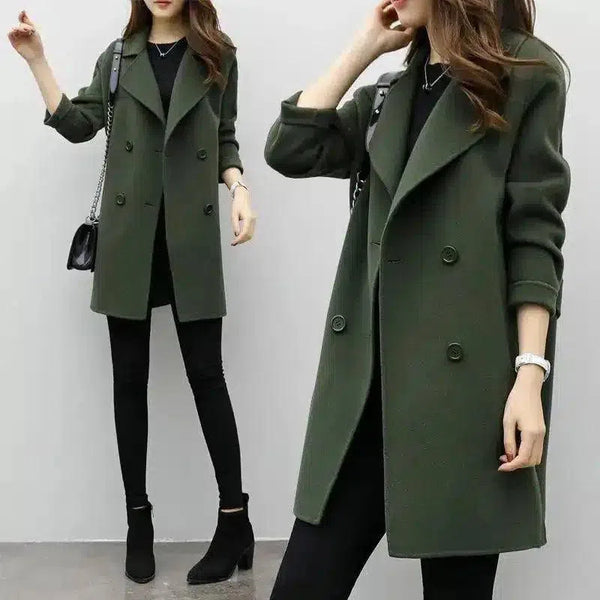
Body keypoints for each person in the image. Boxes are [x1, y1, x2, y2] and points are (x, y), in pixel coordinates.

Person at [264, 0, 570, 598]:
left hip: (464, 395)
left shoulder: (527, 72)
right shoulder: (389, 93)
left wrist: (530, 376)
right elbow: (289, 150)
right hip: (366, 391)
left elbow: (534, 232)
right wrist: (364, 48)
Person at [8, 0, 257, 586]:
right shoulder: (119, 57)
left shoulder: (218, 55)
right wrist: (38, 60)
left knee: (208, 377)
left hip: (189, 238)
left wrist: (239, 189)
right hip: (129, 241)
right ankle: (138, 521)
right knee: (129, 381)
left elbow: (224, 137)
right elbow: (79, 125)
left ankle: (235, 520)